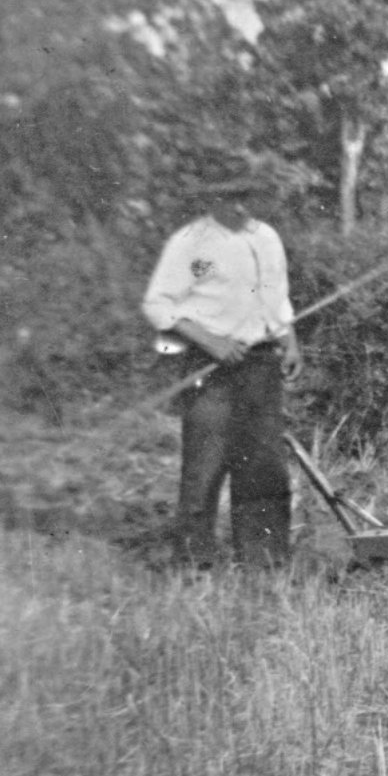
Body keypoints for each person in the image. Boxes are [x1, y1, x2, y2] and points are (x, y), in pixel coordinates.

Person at [141, 166, 304, 568]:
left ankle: (264, 561)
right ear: (213, 198)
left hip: (262, 363)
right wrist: (212, 342)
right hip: (211, 368)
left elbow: (277, 300)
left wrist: (290, 341)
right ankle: (195, 561)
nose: (242, 205)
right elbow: (160, 304)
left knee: (264, 464)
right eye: (232, 196)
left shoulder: (266, 239)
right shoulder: (191, 244)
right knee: (206, 464)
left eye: (248, 194)